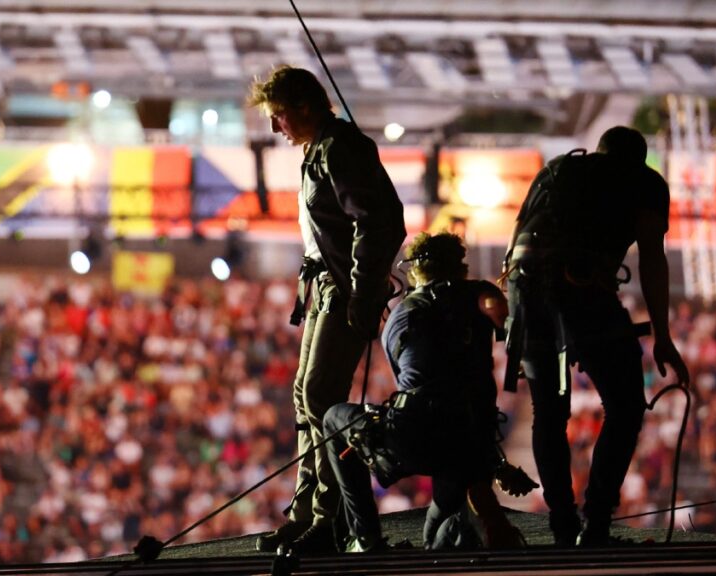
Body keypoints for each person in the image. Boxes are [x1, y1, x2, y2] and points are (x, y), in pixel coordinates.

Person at [503, 126, 690, 547]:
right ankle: (597, 524)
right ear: (637, 160)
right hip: (581, 285)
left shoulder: (557, 169)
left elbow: (517, 237)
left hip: (524, 291)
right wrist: (661, 333)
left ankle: (563, 523)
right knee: (625, 404)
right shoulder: (644, 182)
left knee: (549, 413)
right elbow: (652, 260)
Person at [247, 65, 406, 553]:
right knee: (306, 395)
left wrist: (362, 291)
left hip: (344, 290)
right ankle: (306, 512)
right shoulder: (320, 151)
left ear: (305, 106)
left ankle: (330, 517)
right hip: (327, 287)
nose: (277, 128)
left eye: (279, 117)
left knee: (320, 397)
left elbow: (377, 223)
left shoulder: (342, 149)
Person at [324, 232, 523, 552]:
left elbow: (408, 378)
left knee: (335, 419)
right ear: (459, 266)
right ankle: (459, 529)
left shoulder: (403, 312)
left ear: (415, 270)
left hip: (413, 433)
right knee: (438, 533)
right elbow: (496, 307)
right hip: (468, 445)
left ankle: (366, 538)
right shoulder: (478, 292)